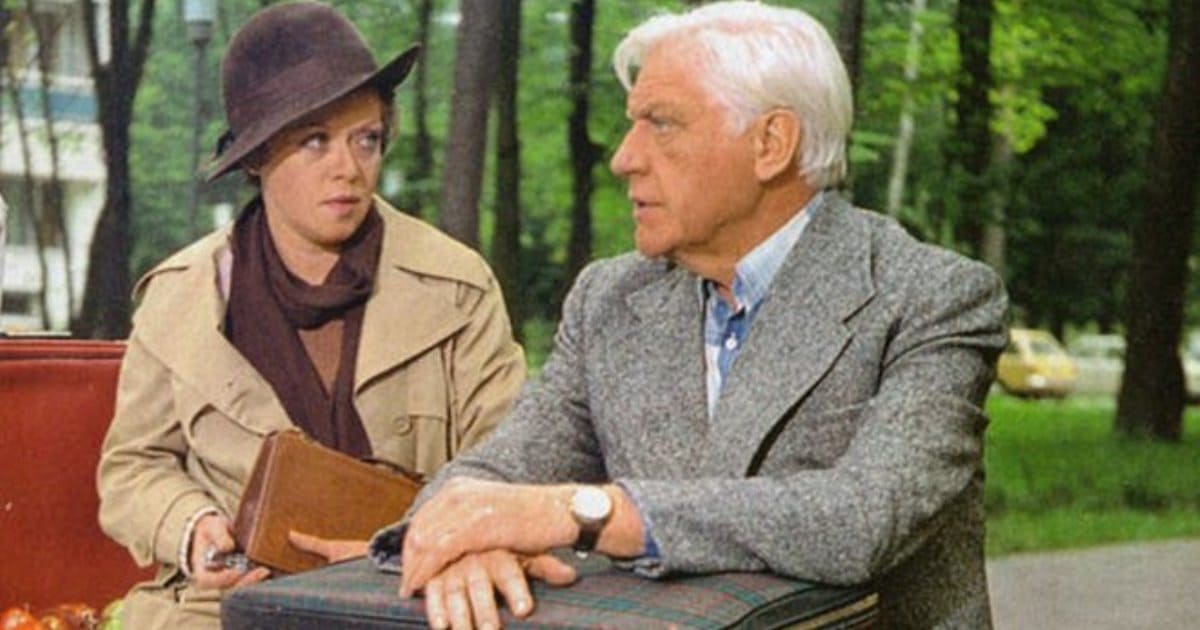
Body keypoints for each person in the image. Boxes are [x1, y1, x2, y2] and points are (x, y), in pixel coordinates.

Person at [368, 2, 1009, 629]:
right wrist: (468, 546)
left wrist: (584, 512)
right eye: (632, 124)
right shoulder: (608, 299)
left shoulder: (931, 296)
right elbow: (487, 477)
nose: (624, 157)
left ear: (771, 143)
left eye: (662, 124)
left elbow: (865, 517)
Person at [96, 3, 525, 628]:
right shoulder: (181, 297)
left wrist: (403, 545)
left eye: (366, 139)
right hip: (228, 607)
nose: (347, 168)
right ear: (257, 156)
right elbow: (132, 468)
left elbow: (513, 466)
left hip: (413, 594)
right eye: (315, 140)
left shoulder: (456, 287)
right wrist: (193, 527)